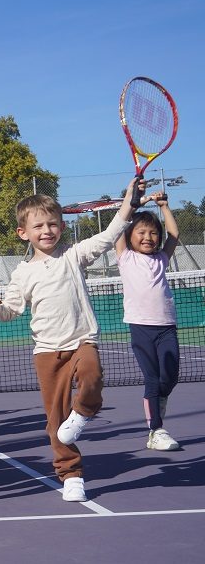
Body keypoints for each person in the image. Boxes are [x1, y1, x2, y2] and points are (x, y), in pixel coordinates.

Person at [0, 177, 142, 503]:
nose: (47, 230)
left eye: (53, 224)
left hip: (82, 341)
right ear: (23, 233)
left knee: (93, 376)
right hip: (46, 353)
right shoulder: (23, 273)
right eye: (38, 225)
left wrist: (129, 202)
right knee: (54, 419)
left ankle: (82, 412)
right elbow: (11, 310)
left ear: (61, 226)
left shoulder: (74, 255)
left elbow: (110, 235)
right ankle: (71, 474)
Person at [115, 191, 181, 451]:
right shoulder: (126, 257)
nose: (148, 237)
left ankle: (157, 402)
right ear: (131, 237)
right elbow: (119, 226)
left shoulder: (162, 259)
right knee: (152, 379)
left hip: (167, 327)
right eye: (141, 232)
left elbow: (174, 235)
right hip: (141, 327)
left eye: (153, 233)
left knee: (171, 377)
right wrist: (133, 204)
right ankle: (156, 430)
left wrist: (164, 206)